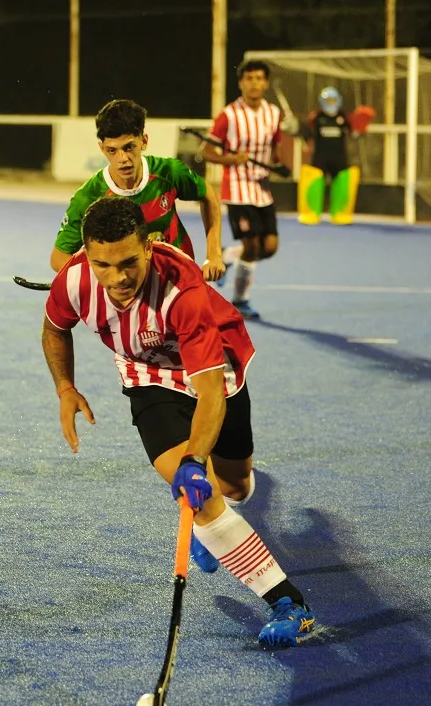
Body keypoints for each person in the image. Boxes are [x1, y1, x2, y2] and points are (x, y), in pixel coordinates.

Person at [41, 196, 315, 648]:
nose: (118, 278)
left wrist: (196, 456)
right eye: (103, 265)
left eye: (129, 262)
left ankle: (218, 525)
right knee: (199, 496)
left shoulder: (182, 294)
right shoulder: (73, 281)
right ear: (87, 255)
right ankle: (291, 604)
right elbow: (55, 328)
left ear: (148, 247)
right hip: (148, 377)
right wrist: (65, 387)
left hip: (212, 370)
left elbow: (209, 391)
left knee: (235, 487)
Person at [50, 99, 225, 283]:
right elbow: (59, 258)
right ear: (101, 148)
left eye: (129, 147)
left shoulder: (169, 173)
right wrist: (103, 274)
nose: (122, 158)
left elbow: (208, 196)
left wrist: (213, 255)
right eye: (112, 150)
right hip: (127, 290)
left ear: (144, 141)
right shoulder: (88, 196)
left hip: (176, 278)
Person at [199, 59, 289, 320]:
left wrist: (278, 163)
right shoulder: (229, 115)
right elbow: (206, 152)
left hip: (262, 189)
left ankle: (227, 255)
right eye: (249, 78)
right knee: (251, 246)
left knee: (269, 247)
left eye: (260, 78)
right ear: (240, 83)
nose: (254, 83)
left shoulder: (273, 113)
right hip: (237, 189)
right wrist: (230, 159)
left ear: (267, 83)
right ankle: (240, 301)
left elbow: (276, 143)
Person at [298, 87, 372, 225]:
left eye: (333, 100)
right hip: (320, 157)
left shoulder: (344, 117)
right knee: (315, 183)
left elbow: (355, 133)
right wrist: (299, 132)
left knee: (341, 183)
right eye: (328, 100)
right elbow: (306, 132)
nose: (331, 103)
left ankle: (341, 214)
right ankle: (310, 213)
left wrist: (361, 127)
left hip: (339, 157)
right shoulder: (316, 117)